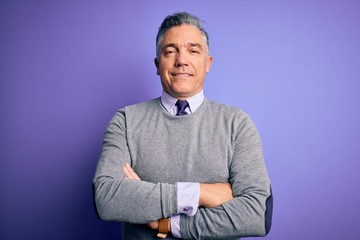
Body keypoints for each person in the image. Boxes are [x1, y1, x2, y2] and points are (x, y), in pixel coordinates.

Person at [93, 12, 273, 239]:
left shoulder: (237, 124)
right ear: (158, 64)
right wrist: (200, 193)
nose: (181, 60)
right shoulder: (126, 121)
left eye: (193, 51)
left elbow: (257, 214)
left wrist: (164, 224)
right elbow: (106, 198)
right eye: (170, 51)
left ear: (208, 63)